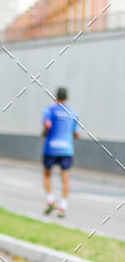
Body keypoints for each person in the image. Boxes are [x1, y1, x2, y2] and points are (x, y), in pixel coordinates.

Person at [42, 87, 80, 218]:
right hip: (66, 149)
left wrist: (45, 133)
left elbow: (47, 125)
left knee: (47, 174)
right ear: (67, 98)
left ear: (55, 96)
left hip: (51, 148)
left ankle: (50, 199)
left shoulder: (49, 110)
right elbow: (76, 133)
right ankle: (63, 205)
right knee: (65, 177)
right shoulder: (73, 113)